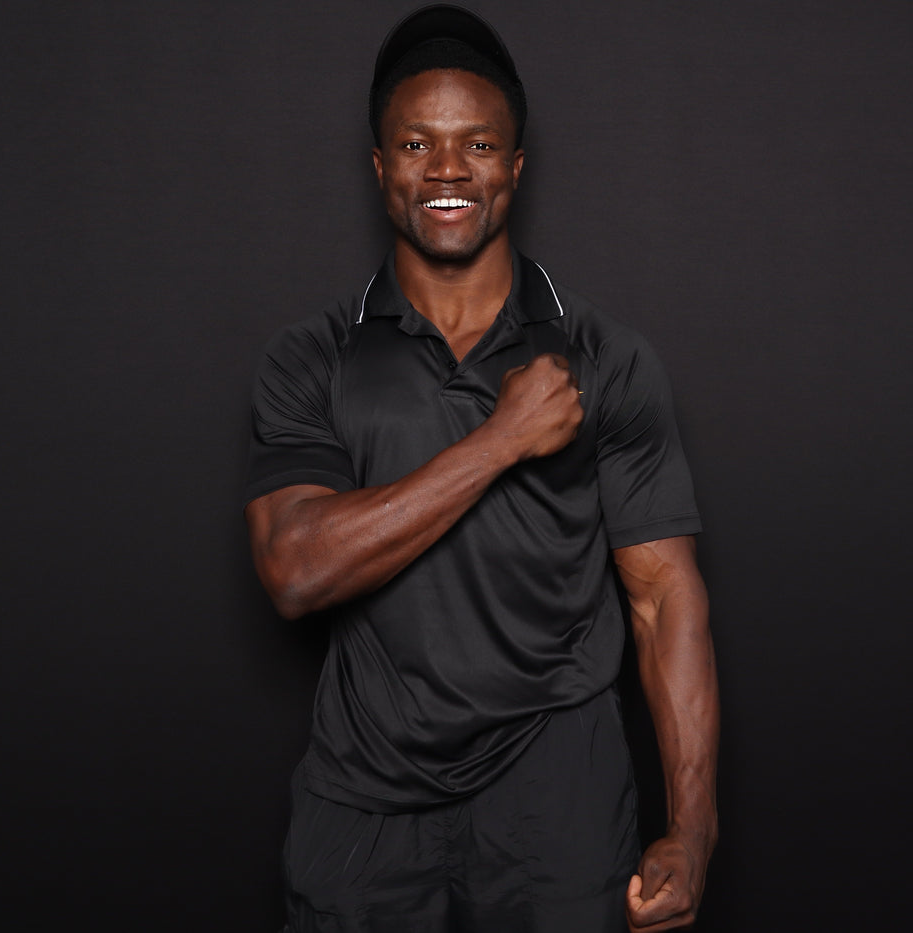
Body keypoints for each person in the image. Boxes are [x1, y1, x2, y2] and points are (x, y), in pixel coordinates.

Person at [244, 6, 718, 931]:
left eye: (479, 144)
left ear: (516, 166)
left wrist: (694, 828)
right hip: (365, 805)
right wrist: (500, 440)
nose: (449, 170)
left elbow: (665, 599)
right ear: (381, 167)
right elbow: (294, 570)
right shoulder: (312, 357)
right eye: (418, 142)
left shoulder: (605, 355)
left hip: (561, 803)